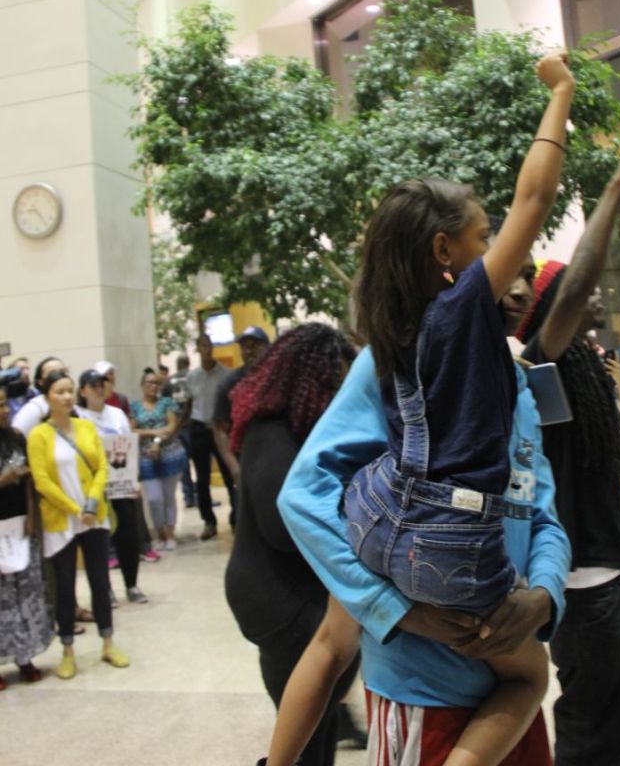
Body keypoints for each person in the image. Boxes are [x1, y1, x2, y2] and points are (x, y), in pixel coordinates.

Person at [331, 52, 574, 764]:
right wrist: (559, 91)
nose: (494, 247)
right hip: (451, 539)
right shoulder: (459, 310)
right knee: (529, 670)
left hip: (384, 523)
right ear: (446, 251)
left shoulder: (393, 328)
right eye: (480, 235)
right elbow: (535, 199)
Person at [277, 341, 570, 766]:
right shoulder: (394, 365)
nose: (518, 287)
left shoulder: (518, 384)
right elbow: (302, 497)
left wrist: (543, 596)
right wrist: (396, 609)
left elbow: (543, 514)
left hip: (511, 706)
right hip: (422, 703)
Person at [516, 153, 620, 766]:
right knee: (591, 731)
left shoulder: (587, 371)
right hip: (580, 583)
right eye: (578, 292)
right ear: (553, 313)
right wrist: (613, 192)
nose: (593, 292)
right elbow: (574, 283)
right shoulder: (541, 368)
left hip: (610, 569)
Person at [224, 323, 359, 766]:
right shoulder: (273, 430)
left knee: (319, 725)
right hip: (278, 599)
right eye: (335, 380)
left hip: (292, 592)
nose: (343, 391)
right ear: (309, 378)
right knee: (304, 732)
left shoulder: (300, 429)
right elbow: (283, 527)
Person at [26, 371, 129, 679]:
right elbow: (42, 481)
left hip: (92, 518)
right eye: (59, 392)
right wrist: (74, 509)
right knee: (65, 587)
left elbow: (101, 468)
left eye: (70, 391)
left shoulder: (86, 428)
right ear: (47, 398)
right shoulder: (39, 435)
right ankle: (68, 650)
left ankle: (108, 643)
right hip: (61, 522)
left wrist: (92, 503)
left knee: (101, 582)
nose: (67, 396)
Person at [0, 381, 54, 689]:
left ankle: (25, 657)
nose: (4, 411)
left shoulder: (17, 438)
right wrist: (4, 480)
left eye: (5, 404)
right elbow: (11, 478)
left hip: (20, 526)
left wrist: (32, 518)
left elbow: (31, 481)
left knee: (26, 593)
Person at [77, 369, 147, 603]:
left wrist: (135, 480)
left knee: (128, 536)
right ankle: (105, 590)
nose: (98, 388)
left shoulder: (117, 414)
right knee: (99, 542)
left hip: (121, 485)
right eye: (93, 385)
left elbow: (129, 448)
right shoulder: (78, 417)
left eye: (101, 384)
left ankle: (132, 585)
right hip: (94, 490)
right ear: (83, 391)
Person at [182, 334, 234, 540]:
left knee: (229, 474)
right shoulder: (192, 376)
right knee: (202, 480)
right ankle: (209, 521)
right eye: (203, 345)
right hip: (199, 429)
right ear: (197, 349)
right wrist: (176, 428)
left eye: (209, 345)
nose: (207, 349)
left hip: (220, 429)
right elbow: (188, 405)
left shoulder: (225, 374)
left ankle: (236, 518)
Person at [131, 368, 186, 551]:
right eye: (149, 383)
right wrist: (153, 432)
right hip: (147, 459)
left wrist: (157, 441)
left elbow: (171, 426)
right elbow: (132, 431)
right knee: (154, 498)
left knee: (169, 496)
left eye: (157, 383)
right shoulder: (135, 407)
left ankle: (170, 534)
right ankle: (159, 533)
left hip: (170, 454)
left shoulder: (167, 403)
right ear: (141, 385)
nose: (153, 386)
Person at [213, 325, 271, 484]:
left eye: (254, 346)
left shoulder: (279, 379)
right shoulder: (229, 384)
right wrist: (234, 468)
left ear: (268, 348)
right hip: (245, 460)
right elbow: (220, 431)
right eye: (244, 347)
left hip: (276, 458)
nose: (249, 351)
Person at [164, 354, 195, 508]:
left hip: (177, 428)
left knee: (184, 465)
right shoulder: (194, 377)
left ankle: (188, 496)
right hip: (194, 426)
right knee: (201, 464)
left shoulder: (168, 382)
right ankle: (201, 496)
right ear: (188, 363)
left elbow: (164, 404)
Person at [11, 356, 68, 436]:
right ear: (41, 381)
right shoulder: (34, 409)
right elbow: (16, 438)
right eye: (53, 373)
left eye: (64, 372)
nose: (61, 377)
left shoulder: (72, 404)